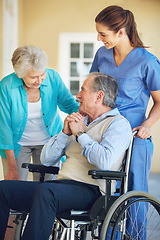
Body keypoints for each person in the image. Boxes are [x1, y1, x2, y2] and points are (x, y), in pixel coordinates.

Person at [0, 72, 132, 240]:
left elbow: (105, 161)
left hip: (92, 191)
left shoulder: (118, 124)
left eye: (83, 90)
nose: (77, 96)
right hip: (61, 187)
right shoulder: (79, 122)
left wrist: (81, 136)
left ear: (99, 96)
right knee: (4, 189)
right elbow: (47, 159)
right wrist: (64, 133)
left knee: (46, 192)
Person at [90, 5, 160, 194]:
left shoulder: (147, 62)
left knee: (134, 188)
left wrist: (147, 126)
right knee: (102, 187)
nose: (98, 39)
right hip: (103, 130)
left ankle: (136, 225)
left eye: (103, 34)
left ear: (120, 32)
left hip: (133, 134)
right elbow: (91, 88)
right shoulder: (102, 54)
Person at [0, 45, 79, 181]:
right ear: (20, 74)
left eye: (42, 74)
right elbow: (4, 127)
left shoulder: (53, 77)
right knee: (15, 187)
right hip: (17, 145)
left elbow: (70, 105)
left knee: (47, 187)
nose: (39, 80)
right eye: (33, 77)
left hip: (48, 142)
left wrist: (92, 116)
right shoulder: (7, 86)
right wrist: (12, 168)